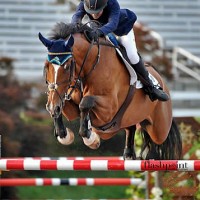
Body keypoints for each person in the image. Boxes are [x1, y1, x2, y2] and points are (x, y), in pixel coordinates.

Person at [71, 0, 169, 101]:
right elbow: (76, 17)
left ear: (104, 6)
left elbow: (112, 24)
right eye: (91, 12)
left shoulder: (113, 3)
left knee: (132, 56)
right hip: (100, 27)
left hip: (121, 30)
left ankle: (151, 86)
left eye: (98, 11)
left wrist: (98, 32)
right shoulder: (85, 3)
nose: (94, 14)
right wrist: (75, 25)